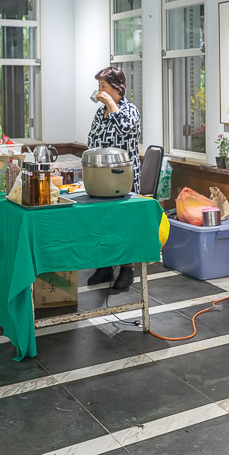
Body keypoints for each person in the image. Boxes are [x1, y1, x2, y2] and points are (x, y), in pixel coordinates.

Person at [86, 66, 142, 291]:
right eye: (99, 87)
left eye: (104, 87)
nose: (100, 91)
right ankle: (105, 266)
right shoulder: (100, 113)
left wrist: (112, 105)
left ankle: (127, 269)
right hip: (100, 177)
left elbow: (128, 131)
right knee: (102, 221)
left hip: (123, 178)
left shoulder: (129, 110)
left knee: (123, 224)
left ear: (117, 88)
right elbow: (92, 138)